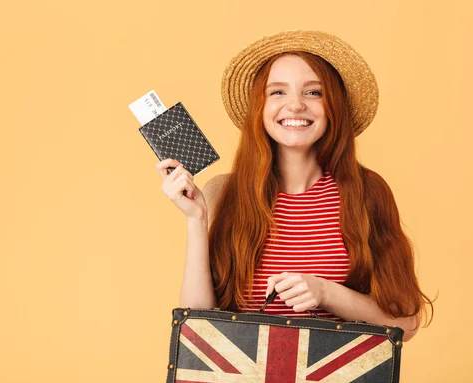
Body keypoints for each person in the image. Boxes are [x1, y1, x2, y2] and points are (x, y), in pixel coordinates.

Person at [155, 30, 433, 341]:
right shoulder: (222, 192)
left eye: (313, 92)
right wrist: (196, 219)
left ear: (333, 108)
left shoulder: (367, 192)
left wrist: (325, 292)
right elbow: (197, 323)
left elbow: (406, 325)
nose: (296, 105)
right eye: (277, 92)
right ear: (260, 108)